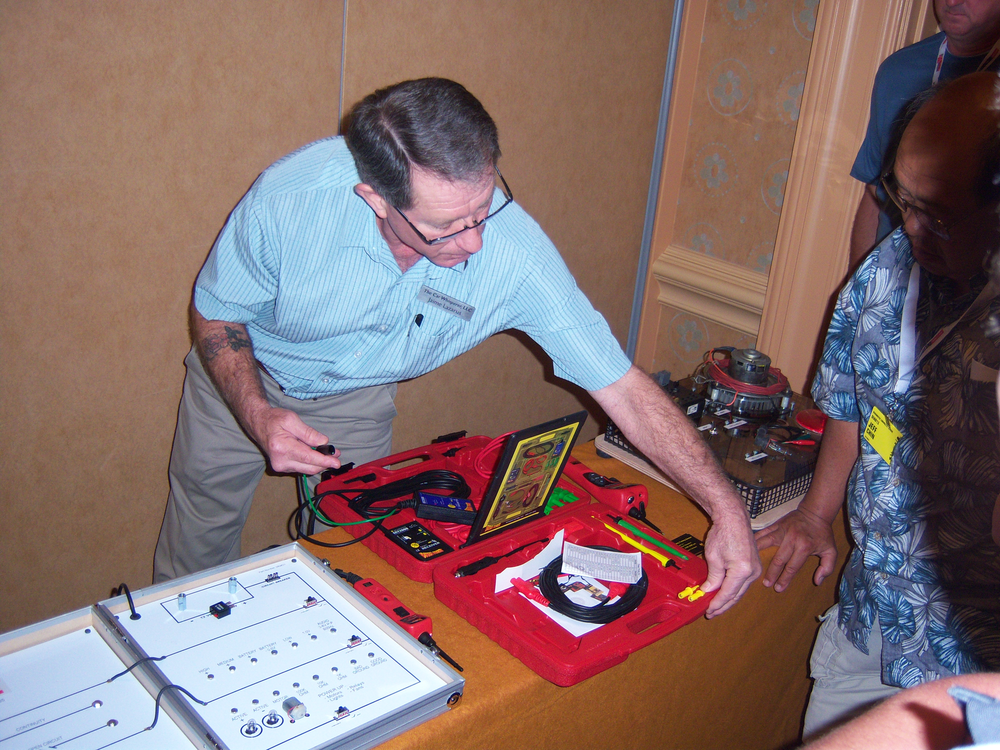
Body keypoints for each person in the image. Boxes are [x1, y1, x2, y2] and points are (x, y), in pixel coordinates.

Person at [153, 77, 760, 617]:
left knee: (357, 566)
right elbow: (218, 313)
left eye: (483, 209)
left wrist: (726, 508)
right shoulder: (288, 204)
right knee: (195, 554)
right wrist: (257, 413)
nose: (473, 245)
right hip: (242, 381)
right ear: (375, 200)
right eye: (444, 227)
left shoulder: (512, 251)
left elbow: (621, 387)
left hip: (356, 399)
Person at [755, 71, 1000, 739]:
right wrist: (815, 512)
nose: (910, 228)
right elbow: (851, 404)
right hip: (873, 616)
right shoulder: (888, 270)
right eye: (902, 198)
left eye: (938, 212)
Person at [848, 0, 1000, 268]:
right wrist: (855, 290)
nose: (952, 1)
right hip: (892, 287)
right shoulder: (897, 71)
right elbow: (874, 195)